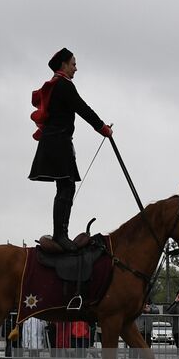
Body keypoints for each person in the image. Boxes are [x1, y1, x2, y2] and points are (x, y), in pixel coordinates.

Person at [29, 48, 112, 250]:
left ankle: (61, 233)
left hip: (57, 141)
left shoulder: (59, 85)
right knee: (66, 187)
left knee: (65, 187)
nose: (76, 68)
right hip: (58, 142)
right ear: (64, 65)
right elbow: (82, 108)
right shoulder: (64, 85)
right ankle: (60, 235)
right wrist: (103, 128)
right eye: (73, 63)